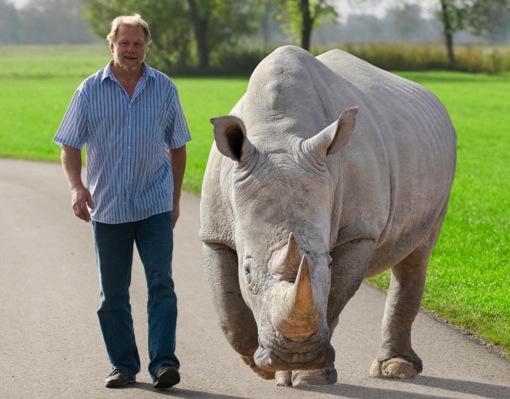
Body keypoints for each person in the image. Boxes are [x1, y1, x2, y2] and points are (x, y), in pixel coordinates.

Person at [54, 14, 191, 390]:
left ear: (147, 46)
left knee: (161, 285)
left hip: (154, 207)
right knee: (112, 294)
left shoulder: (164, 88)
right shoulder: (89, 91)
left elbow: (179, 146)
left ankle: (163, 364)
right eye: (124, 43)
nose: (131, 50)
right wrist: (76, 187)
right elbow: (69, 143)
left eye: (137, 43)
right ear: (111, 45)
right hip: (109, 208)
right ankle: (123, 365)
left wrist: (175, 198)